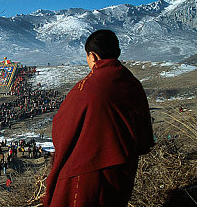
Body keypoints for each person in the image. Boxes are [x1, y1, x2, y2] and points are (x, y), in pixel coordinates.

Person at [43, 29, 154, 207]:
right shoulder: (133, 84)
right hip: (122, 170)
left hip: (88, 172)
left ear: (92, 56)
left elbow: (62, 128)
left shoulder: (86, 88)